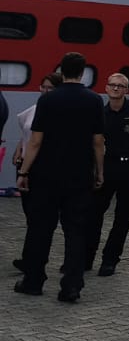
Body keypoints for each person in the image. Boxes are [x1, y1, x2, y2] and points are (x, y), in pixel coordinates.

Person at [14, 53, 104, 304]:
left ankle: (33, 281)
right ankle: (71, 287)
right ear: (83, 72)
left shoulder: (49, 100)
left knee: (40, 228)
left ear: (61, 71)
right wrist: (99, 172)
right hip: (79, 175)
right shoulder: (94, 100)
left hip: (46, 175)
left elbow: (36, 141)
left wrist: (24, 172)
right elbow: (98, 142)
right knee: (75, 231)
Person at [85, 72, 129, 277]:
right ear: (106, 89)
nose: (116, 89)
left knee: (122, 219)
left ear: (126, 90)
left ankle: (110, 260)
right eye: (112, 85)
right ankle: (86, 258)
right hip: (108, 168)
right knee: (93, 215)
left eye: (120, 86)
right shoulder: (100, 113)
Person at [10, 71, 62, 272]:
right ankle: (29, 257)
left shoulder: (56, 113)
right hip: (24, 165)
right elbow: (27, 134)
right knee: (31, 216)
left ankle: (34, 259)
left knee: (39, 217)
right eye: (44, 87)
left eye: (51, 88)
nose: (46, 91)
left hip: (39, 168)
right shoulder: (34, 109)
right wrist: (18, 150)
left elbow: (39, 141)